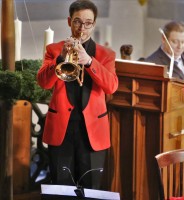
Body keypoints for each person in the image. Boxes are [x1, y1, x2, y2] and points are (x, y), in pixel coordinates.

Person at [37, 0, 118, 189]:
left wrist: (90, 62)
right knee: (61, 186)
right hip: (61, 129)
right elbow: (43, 82)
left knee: (91, 188)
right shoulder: (54, 50)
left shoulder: (106, 54)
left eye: (88, 22)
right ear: (69, 21)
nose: (82, 27)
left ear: (94, 24)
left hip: (92, 131)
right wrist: (60, 59)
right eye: (77, 21)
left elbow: (111, 87)